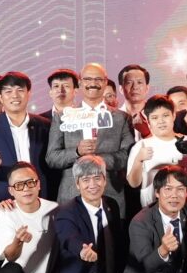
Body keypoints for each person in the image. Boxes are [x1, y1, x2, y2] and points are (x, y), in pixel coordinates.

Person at [51, 157, 125, 273]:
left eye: (97, 178)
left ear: (105, 180)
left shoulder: (111, 205)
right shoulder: (66, 212)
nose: (92, 185)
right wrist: (82, 250)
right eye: (85, 180)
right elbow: (68, 238)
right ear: (77, 184)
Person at [45, 64, 131, 211]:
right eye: (88, 79)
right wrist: (77, 152)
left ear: (105, 82)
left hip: (110, 195)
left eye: (98, 79)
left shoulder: (121, 117)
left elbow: (128, 156)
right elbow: (52, 158)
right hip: (71, 195)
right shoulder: (62, 116)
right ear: (80, 83)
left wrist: (98, 160)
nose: (93, 83)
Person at [0, 73, 50, 205]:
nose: (15, 96)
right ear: (0, 97)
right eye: (8, 91)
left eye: (20, 90)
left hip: (40, 197)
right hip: (2, 200)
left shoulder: (44, 125)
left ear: (28, 94)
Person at [126, 95, 187, 207]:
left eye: (165, 115)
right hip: (151, 208)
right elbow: (133, 183)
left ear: (174, 115)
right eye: (155, 118)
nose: (161, 121)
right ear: (148, 120)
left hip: (186, 206)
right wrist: (138, 160)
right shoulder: (140, 146)